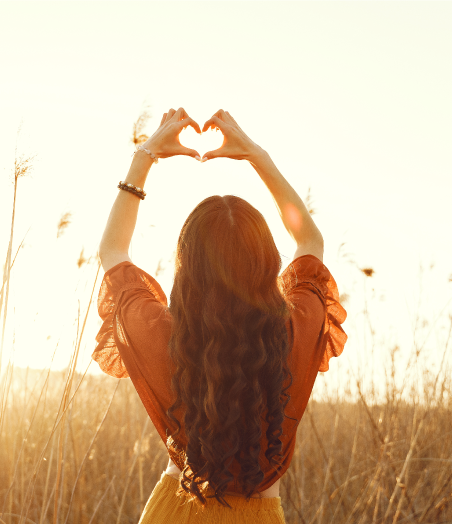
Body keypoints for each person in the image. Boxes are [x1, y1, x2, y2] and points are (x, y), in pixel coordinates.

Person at [95, 108, 347, 523]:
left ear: (187, 271)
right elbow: (309, 240)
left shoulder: (164, 336)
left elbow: (113, 251)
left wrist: (145, 156)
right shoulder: (294, 328)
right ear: (266, 264)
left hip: (174, 511)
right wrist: (255, 155)